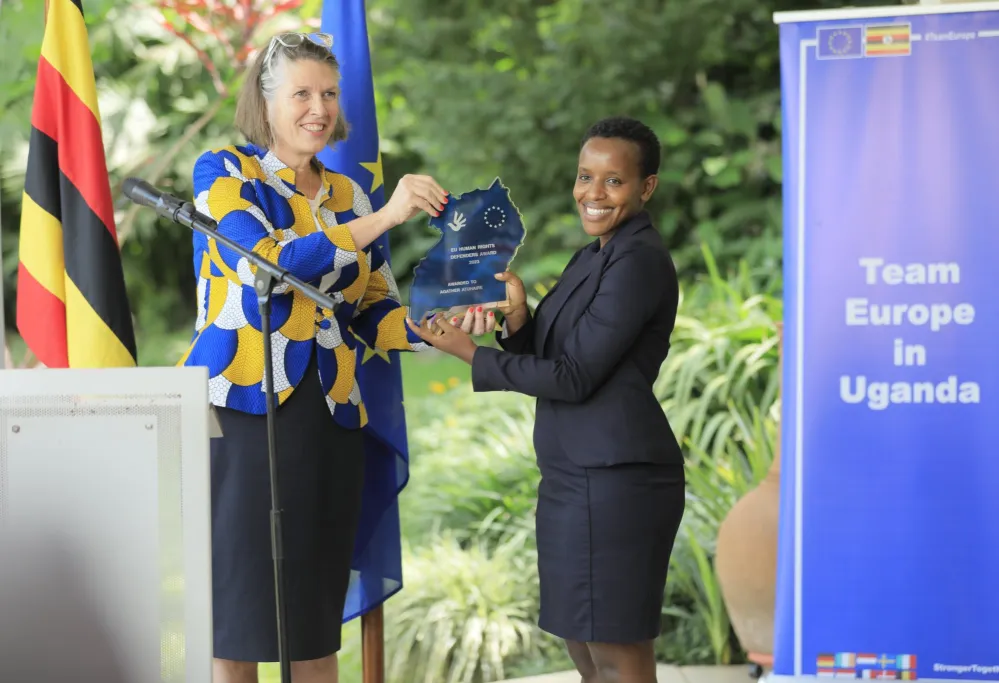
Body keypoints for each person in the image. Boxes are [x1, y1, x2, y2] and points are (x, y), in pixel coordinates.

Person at [180, 31, 457, 683]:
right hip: (239, 413)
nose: (319, 108)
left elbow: (374, 310)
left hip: (329, 420)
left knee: (312, 617)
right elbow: (268, 265)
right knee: (236, 615)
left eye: (329, 94)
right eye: (301, 93)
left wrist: (443, 329)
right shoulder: (223, 173)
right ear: (265, 102)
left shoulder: (348, 194)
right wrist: (385, 218)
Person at [410, 116, 685, 683]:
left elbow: (574, 376)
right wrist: (517, 315)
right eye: (585, 176)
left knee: (616, 651)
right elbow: (558, 354)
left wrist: (469, 354)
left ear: (647, 187)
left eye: (614, 181)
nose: (593, 193)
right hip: (572, 475)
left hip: (616, 481)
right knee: (583, 646)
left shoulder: (638, 261)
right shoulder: (595, 254)